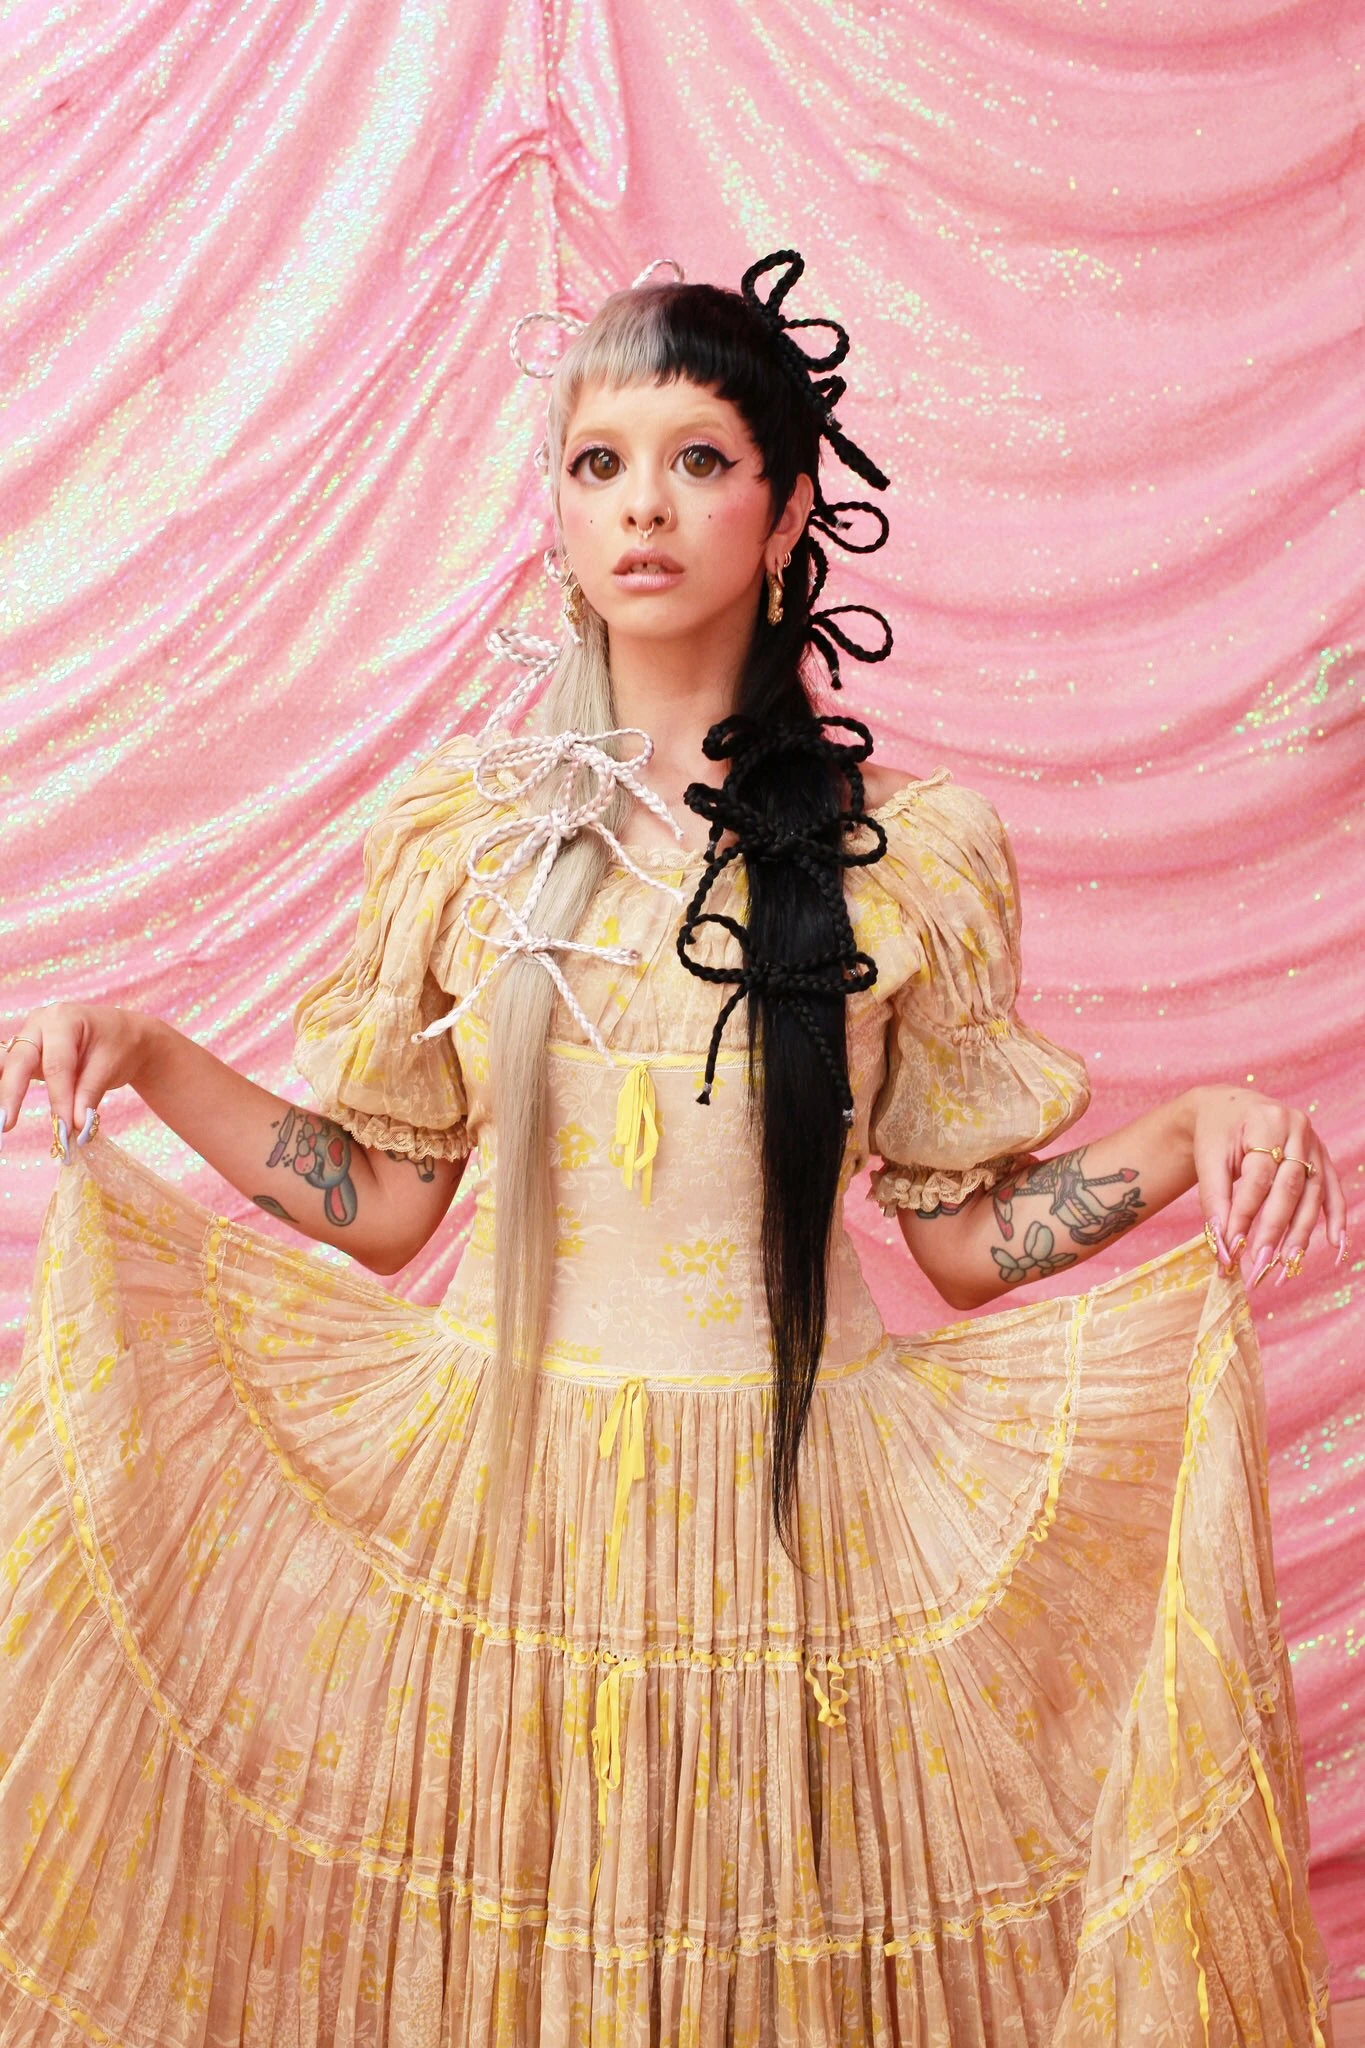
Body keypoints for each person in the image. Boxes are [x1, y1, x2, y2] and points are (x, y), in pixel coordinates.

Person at [0, 250, 1345, 2047]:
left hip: (799, 1523)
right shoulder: (462, 839)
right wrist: (156, 1058)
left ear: (785, 515)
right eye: (599, 462)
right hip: (514, 1512)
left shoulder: (908, 854)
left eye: (699, 460)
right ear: (558, 516)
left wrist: (1188, 1135)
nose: (642, 505)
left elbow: (959, 1247)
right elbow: (388, 1205)